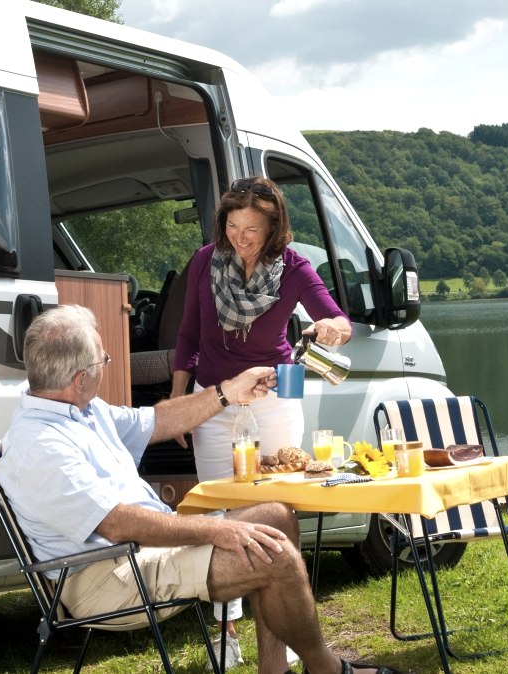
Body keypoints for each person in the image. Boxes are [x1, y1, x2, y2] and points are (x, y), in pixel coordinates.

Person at [0, 305, 393, 674]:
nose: (107, 365)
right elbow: (117, 524)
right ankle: (327, 668)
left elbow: (156, 421)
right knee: (275, 556)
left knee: (275, 513)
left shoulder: (82, 411)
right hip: (108, 575)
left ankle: (274, 667)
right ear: (79, 378)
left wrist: (227, 392)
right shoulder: (42, 444)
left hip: (139, 552)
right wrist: (218, 528)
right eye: (103, 360)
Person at [170, 176, 353, 661]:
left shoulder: (293, 267)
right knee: (220, 514)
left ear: (273, 227)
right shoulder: (205, 261)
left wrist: (331, 330)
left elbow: (336, 318)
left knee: (276, 514)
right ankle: (227, 634)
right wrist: (180, 403)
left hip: (272, 402)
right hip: (212, 401)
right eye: (233, 225)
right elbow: (188, 334)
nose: (241, 237)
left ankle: (282, 632)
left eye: (252, 228)